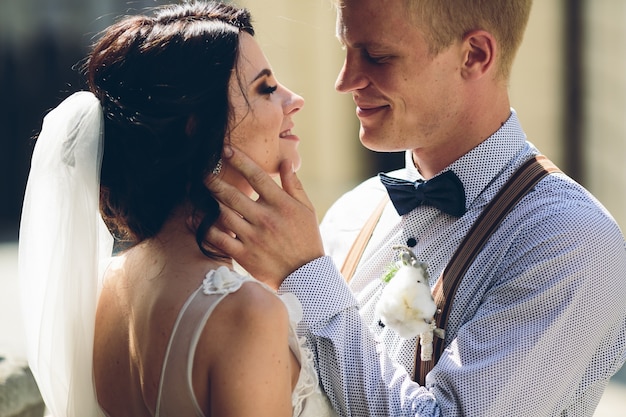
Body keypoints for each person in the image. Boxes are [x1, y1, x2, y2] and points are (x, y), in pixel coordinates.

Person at [206, 0, 626, 415]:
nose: (345, 80)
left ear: (475, 55)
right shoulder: (350, 215)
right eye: (346, 50)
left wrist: (307, 276)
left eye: (377, 56)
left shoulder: (573, 240)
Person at [18, 2, 338, 416]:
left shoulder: (104, 287)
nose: (294, 100)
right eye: (266, 88)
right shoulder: (244, 313)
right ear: (197, 125)